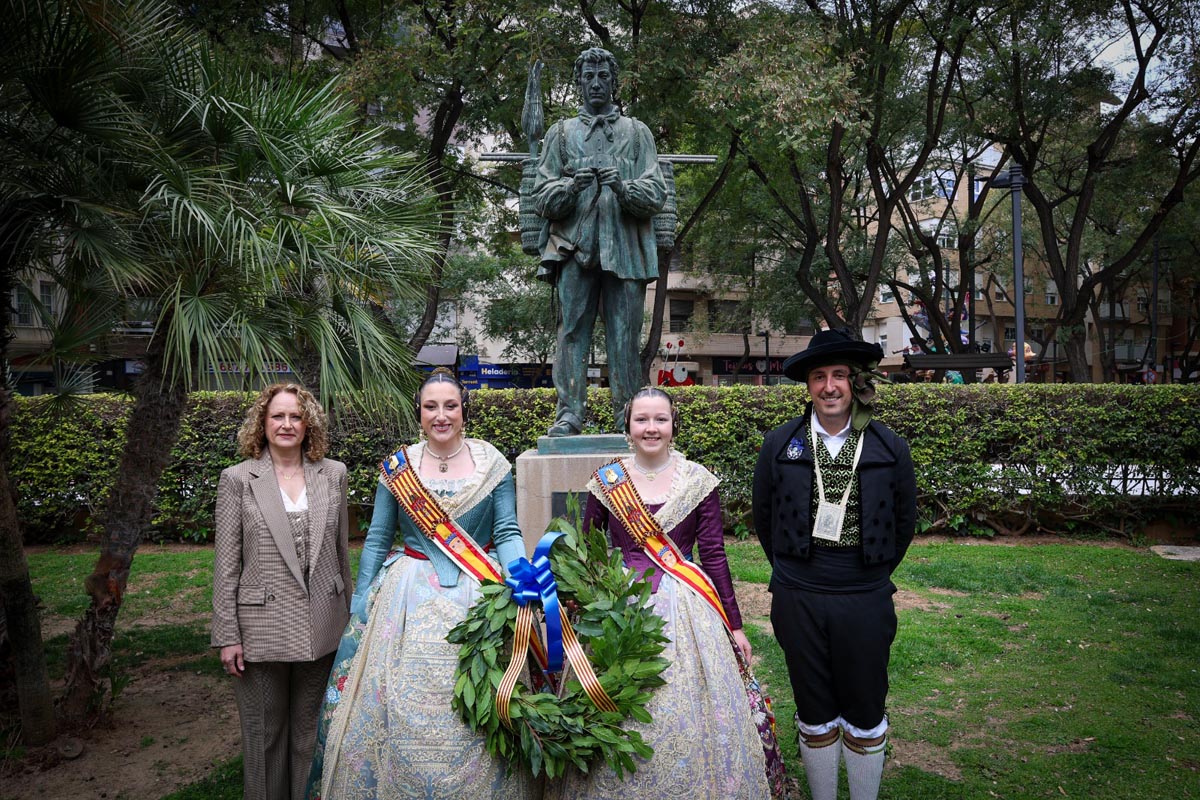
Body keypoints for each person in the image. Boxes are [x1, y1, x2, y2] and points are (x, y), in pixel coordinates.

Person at [307, 367, 537, 800]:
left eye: (450, 406)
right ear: (419, 413)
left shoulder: (494, 463)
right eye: (431, 406)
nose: (441, 415)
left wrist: (518, 572)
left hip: (478, 596)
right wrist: (361, 599)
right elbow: (377, 537)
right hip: (405, 600)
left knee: (481, 702)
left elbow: (506, 532)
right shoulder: (399, 468)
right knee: (395, 704)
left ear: (464, 410)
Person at [544, 387, 776, 800]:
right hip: (620, 605)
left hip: (685, 606)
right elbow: (586, 549)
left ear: (673, 426)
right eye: (642, 420)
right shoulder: (606, 481)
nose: (651, 428)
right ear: (628, 427)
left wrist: (735, 625)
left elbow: (715, 556)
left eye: (660, 420)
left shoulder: (697, 480)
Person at [752, 328, 917, 800]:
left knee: (865, 705)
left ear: (855, 382)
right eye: (819, 376)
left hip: (865, 593)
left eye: (839, 375)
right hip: (797, 593)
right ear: (807, 385)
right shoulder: (780, 444)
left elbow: (905, 520)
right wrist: (791, 572)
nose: (829, 386)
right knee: (814, 705)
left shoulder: (889, 447)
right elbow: (764, 515)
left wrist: (872, 574)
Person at [212, 383, 352, 800]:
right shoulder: (237, 479)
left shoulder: (334, 473)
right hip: (259, 632)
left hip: (323, 628)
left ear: (309, 424)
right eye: (278, 416)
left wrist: (349, 621)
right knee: (265, 738)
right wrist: (227, 635)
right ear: (262, 423)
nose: (287, 424)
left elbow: (341, 555)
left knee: (311, 734)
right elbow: (225, 564)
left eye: (296, 416)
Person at [531, 46, 667, 436]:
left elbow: (656, 192)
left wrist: (623, 188)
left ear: (613, 81)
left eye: (602, 76)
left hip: (624, 250)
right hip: (573, 248)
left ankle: (629, 415)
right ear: (578, 84)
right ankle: (569, 413)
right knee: (572, 331)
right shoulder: (561, 134)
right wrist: (571, 186)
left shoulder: (637, 133)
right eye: (587, 77)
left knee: (625, 336)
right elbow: (542, 195)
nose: (595, 84)